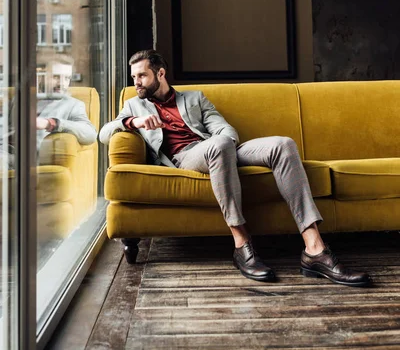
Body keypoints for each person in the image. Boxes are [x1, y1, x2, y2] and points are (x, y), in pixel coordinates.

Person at [100, 49, 371, 287]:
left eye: (141, 76)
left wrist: (225, 147)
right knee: (218, 147)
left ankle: (314, 249)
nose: (136, 82)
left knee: (282, 144)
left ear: (160, 73)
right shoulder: (134, 104)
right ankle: (242, 246)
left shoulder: (194, 98)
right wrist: (133, 123)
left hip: (221, 149)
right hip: (186, 158)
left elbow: (224, 129)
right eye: (133, 77)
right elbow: (103, 133)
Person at [36, 58, 97, 154]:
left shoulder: (73, 105)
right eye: (56, 77)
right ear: (41, 77)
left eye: (66, 78)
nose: (61, 83)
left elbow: (90, 134)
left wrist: (50, 123)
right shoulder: (20, 99)